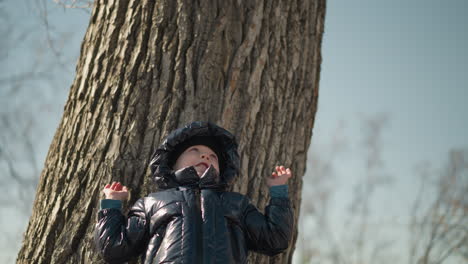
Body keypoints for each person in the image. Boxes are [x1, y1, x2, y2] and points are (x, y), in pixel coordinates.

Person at [94, 121, 293, 264]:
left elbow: (275, 239)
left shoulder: (236, 204)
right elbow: (114, 249)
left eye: (213, 156)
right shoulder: (152, 203)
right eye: (194, 150)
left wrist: (279, 193)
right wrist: (112, 204)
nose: (205, 155)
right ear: (172, 163)